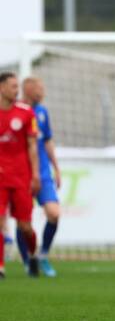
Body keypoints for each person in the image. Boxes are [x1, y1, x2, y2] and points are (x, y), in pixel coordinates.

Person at [19, 78, 61, 277]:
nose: (43, 91)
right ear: (28, 90)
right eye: (40, 88)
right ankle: (29, 261)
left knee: (54, 213)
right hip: (21, 173)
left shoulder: (42, 112)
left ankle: (43, 254)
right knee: (23, 220)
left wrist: (56, 168)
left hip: (43, 173)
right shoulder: (16, 112)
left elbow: (47, 142)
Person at [0, 72, 41, 278]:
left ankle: (33, 255)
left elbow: (32, 147)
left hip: (21, 176)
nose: (17, 91)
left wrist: (35, 175)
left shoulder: (26, 113)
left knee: (25, 226)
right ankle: (0, 267)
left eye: (18, 86)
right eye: (13, 87)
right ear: (2, 88)